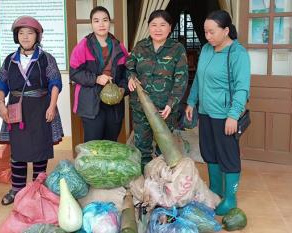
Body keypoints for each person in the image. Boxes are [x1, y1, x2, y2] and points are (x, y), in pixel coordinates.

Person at [0, 16, 63, 205]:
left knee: (40, 150)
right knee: (18, 152)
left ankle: (38, 189)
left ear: (37, 36)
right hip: (16, 109)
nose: (25, 37)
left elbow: (55, 82)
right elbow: (1, 83)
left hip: (40, 108)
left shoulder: (46, 59)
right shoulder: (10, 60)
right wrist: (1, 104)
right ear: (17, 36)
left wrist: (52, 105)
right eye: (21, 33)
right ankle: (17, 190)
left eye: (30, 33)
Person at [185, 10, 251, 215]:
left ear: (226, 30)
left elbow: (242, 88)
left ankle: (230, 198)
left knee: (228, 156)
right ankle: (215, 189)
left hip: (224, 115)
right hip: (205, 112)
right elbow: (198, 79)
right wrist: (191, 102)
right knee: (209, 152)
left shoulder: (237, 54)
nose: (208, 36)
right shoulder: (206, 49)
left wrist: (233, 115)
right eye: (205, 32)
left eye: (212, 32)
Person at [127, 9, 188, 172]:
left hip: (165, 109)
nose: (158, 29)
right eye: (153, 25)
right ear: (148, 27)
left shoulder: (177, 49)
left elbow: (181, 80)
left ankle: (163, 179)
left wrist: (171, 104)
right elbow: (129, 66)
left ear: (170, 28)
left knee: (165, 148)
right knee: (142, 147)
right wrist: (131, 77)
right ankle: (145, 180)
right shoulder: (140, 47)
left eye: (162, 25)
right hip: (141, 107)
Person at [70, 6, 129, 142]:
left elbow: (127, 73)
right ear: (91, 24)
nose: (101, 24)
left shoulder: (119, 47)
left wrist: (122, 90)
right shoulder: (83, 45)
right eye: (96, 21)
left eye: (105, 20)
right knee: (93, 144)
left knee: (110, 142)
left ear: (109, 22)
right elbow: (74, 73)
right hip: (91, 103)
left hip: (114, 103)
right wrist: (96, 79)